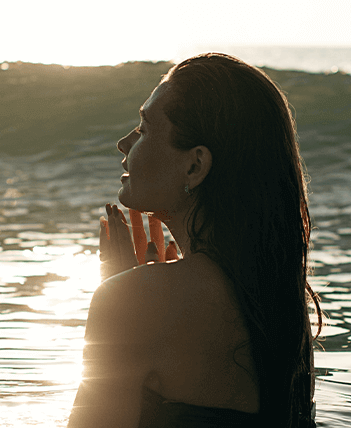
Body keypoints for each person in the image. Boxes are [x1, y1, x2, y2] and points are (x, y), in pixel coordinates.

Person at [68, 53, 322, 428]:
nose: (124, 144)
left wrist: (123, 293)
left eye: (144, 128)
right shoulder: (280, 302)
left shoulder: (136, 300)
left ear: (195, 166)